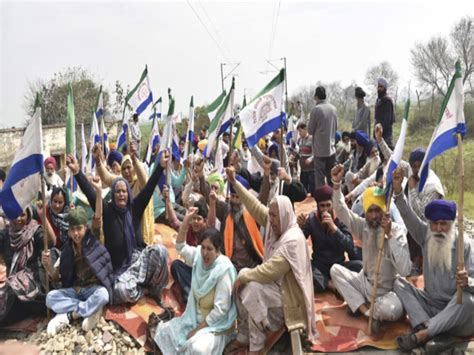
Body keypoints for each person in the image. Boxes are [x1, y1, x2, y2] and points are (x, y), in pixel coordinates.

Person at [224, 167, 317, 354]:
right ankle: (244, 335)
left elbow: (270, 270)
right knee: (245, 281)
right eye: (271, 215)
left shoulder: (293, 239)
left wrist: (245, 277)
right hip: (274, 288)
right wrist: (234, 182)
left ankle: (257, 346)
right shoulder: (277, 225)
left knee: (251, 289)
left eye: (274, 216)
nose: (270, 219)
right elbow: (255, 206)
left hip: (289, 298)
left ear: (284, 215)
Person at [66, 151, 169, 305]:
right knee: (119, 291)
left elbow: (148, 188)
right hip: (121, 270)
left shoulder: (135, 208)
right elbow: (91, 195)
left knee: (161, 251)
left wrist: (160, 167)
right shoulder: (108, 211)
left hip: (138, 259)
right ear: (113, 195)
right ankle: (146, 290)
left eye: (124, 191)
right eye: (117, 191)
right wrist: (77, 172)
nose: (121, 194)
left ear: (128, 193)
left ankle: (156, 290)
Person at [390, 169, 474, 353]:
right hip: (430, 307)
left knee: (469, 300)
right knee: (397, 283)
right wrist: (398, 192)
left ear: (451, 224)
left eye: (443, 223)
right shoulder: (425, 236)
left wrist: (468, 281)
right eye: (434, 223)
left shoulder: (464, 245)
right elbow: (408, 217)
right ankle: (434, 332)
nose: (438, 228)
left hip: (456, 312)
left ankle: (423, 334)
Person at [329, 165, 411, 333]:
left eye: (377, 210)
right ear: (365, 213)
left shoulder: (397, 232)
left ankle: (363, 306)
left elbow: (405, 270)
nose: (374, 216)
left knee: (392, 310)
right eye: (370, 211)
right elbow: (341, 211)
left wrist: (390, 237)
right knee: (335, 271)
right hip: (364, 283)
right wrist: (336, 185)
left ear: (384, 210)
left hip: (387, 290)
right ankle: (367, 312)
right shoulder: (364, 226)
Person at [153, 213, 237, 354]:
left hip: (215, 327)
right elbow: (180, 247)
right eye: (203, 247)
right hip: (193, 318)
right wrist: (186, 220)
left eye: (209, 249)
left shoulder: (224, 270)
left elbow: (220, 312)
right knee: (165, 332)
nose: (205, 253)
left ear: (218, 251)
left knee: (196, 349)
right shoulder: (199, 256)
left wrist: (197, 331)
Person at [42, 206, 114, 336]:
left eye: (79, 228)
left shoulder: (94, 242)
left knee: (104, 294)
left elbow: (98, 219)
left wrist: (98, 191)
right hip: (76, 291)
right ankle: (88, 309)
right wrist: (48, 266)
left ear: (85, 227)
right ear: (68, 231)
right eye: (72, 229)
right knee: (50, 298)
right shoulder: (67, 250)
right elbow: (56, 277)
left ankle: (69, 315)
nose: (76, 234)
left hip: (93, 289)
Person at [297, 185, 362, 293]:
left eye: (328, 205)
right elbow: (298, 244)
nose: (326, 209)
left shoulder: (340, 219)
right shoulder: (311, 220)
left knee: (360, 266)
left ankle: (328, 282)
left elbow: (350, 247)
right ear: (317, 206)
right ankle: (329, 284)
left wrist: (335, 229)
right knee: (301, 265)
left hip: (339, 266)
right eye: (322, 206)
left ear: (332, 204)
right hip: (320, 266)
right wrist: (299, 228)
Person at [92, 142, 155, 245]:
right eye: (124, 168)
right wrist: (98, 161)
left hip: (141, 226)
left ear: (134, 168)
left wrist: (134, 159)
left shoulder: (140, 182)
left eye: (129, 167)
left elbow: (144, 180)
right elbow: (106, 177)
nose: (126, 171)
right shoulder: (120, 182)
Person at [0, 206, 54, 325]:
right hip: (12, 287)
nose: (18, 219)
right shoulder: (5, 234)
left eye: (22, 215)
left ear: (29, 215)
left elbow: (51, 242)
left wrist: (42, 217)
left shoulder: (34, 231)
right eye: (15, 214)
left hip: (34, 285)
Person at [207, 174, 264, 272]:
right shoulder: (226, 210)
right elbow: (210, 199)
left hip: (250, 269)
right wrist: (200, 176)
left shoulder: (253, 214)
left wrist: (266, 176)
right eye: (233, 196)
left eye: (238, 197)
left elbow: (263, 198)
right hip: (229, 267)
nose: (235, 201)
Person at [169, 199, 209, 303]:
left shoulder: (209, 235)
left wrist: (212, 204)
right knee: (175, 266)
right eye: (193, 218)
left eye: (199, 219)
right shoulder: (189, 230)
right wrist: (168, 200)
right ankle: (190, 294)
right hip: (191, 272)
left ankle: (190, 295)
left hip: (204, 276)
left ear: (205, 221)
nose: (195, 222)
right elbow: (175, 223)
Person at [308, 86, 338, 188]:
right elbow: (336, 128)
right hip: (332, 150)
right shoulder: (333, 109)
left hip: (319, 152)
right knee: (332, 180)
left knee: (320, 182)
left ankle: (321, 202)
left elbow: (310, 130)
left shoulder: (316, 110)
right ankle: (333, 201)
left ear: (316, 97)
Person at [374, 78, 395, 149]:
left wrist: (380, 132)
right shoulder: (378, 100)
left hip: (385, 134)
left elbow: (387, 120)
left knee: (387, 153)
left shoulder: (387, 101)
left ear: (385, 88)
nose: (379, 89)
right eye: (378, 86)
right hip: (377, 132)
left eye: (381, 87)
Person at [297, 122, 315, 197]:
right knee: (303, 189)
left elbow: (316, 152)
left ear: (305, 129)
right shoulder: (300, 140)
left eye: (300, 131)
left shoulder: (312, 139)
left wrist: (310, 159)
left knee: (312, 190)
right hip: (303, 170)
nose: (299, 133)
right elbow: (299, 152)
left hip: (311, 170)